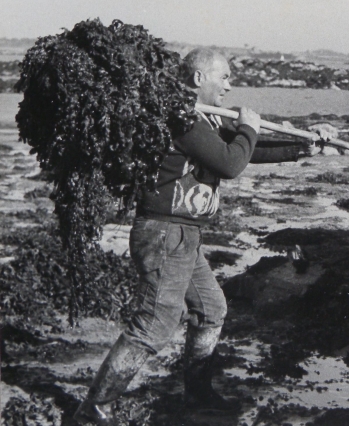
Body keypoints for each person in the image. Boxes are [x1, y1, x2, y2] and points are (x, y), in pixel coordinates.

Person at [74, 48, 327, 424]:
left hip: (184, 236)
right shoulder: (181, 118)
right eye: (223, 77)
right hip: (165, 234)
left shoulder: (203, 119)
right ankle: (94, 407)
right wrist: (249, 128)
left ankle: (198, 394)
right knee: (156, 323)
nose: (229, 85)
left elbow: (243, 152)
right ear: (197, 78)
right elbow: (230, 163)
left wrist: (305, 147)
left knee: (211, 310)